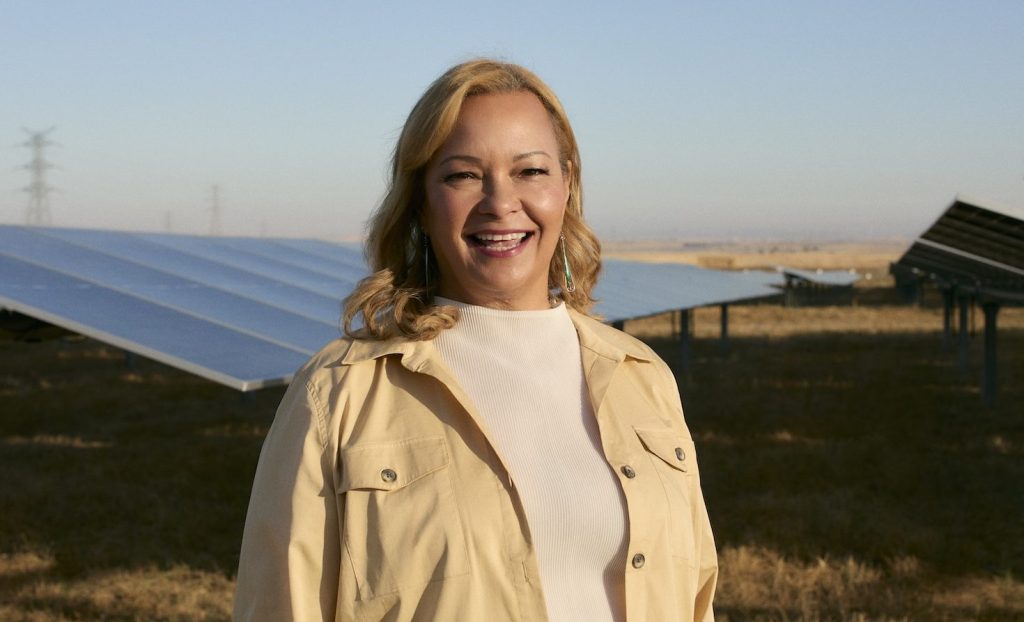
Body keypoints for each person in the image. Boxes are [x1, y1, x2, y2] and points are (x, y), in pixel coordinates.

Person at [234, 58, 717, 622]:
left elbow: (696, 597)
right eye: (463, 175)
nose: (500, 202)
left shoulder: (642, 377)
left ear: (566, 184)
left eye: (530, 170)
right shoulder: (339, 393)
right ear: (421, 201)